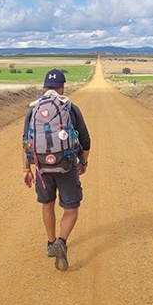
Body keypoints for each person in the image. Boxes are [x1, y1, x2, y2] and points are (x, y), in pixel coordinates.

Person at [22, 69, 91, 271]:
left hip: (42, 167)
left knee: (47, 204)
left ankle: (51, 242)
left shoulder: (33, 110)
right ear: (63, 86)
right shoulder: (70, 108)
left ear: (44, 87)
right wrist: (83, 162)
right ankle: (62, 241)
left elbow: (26, 142)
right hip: (67, 165)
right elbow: (85, 140)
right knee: (71, 209)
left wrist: (26, 168)